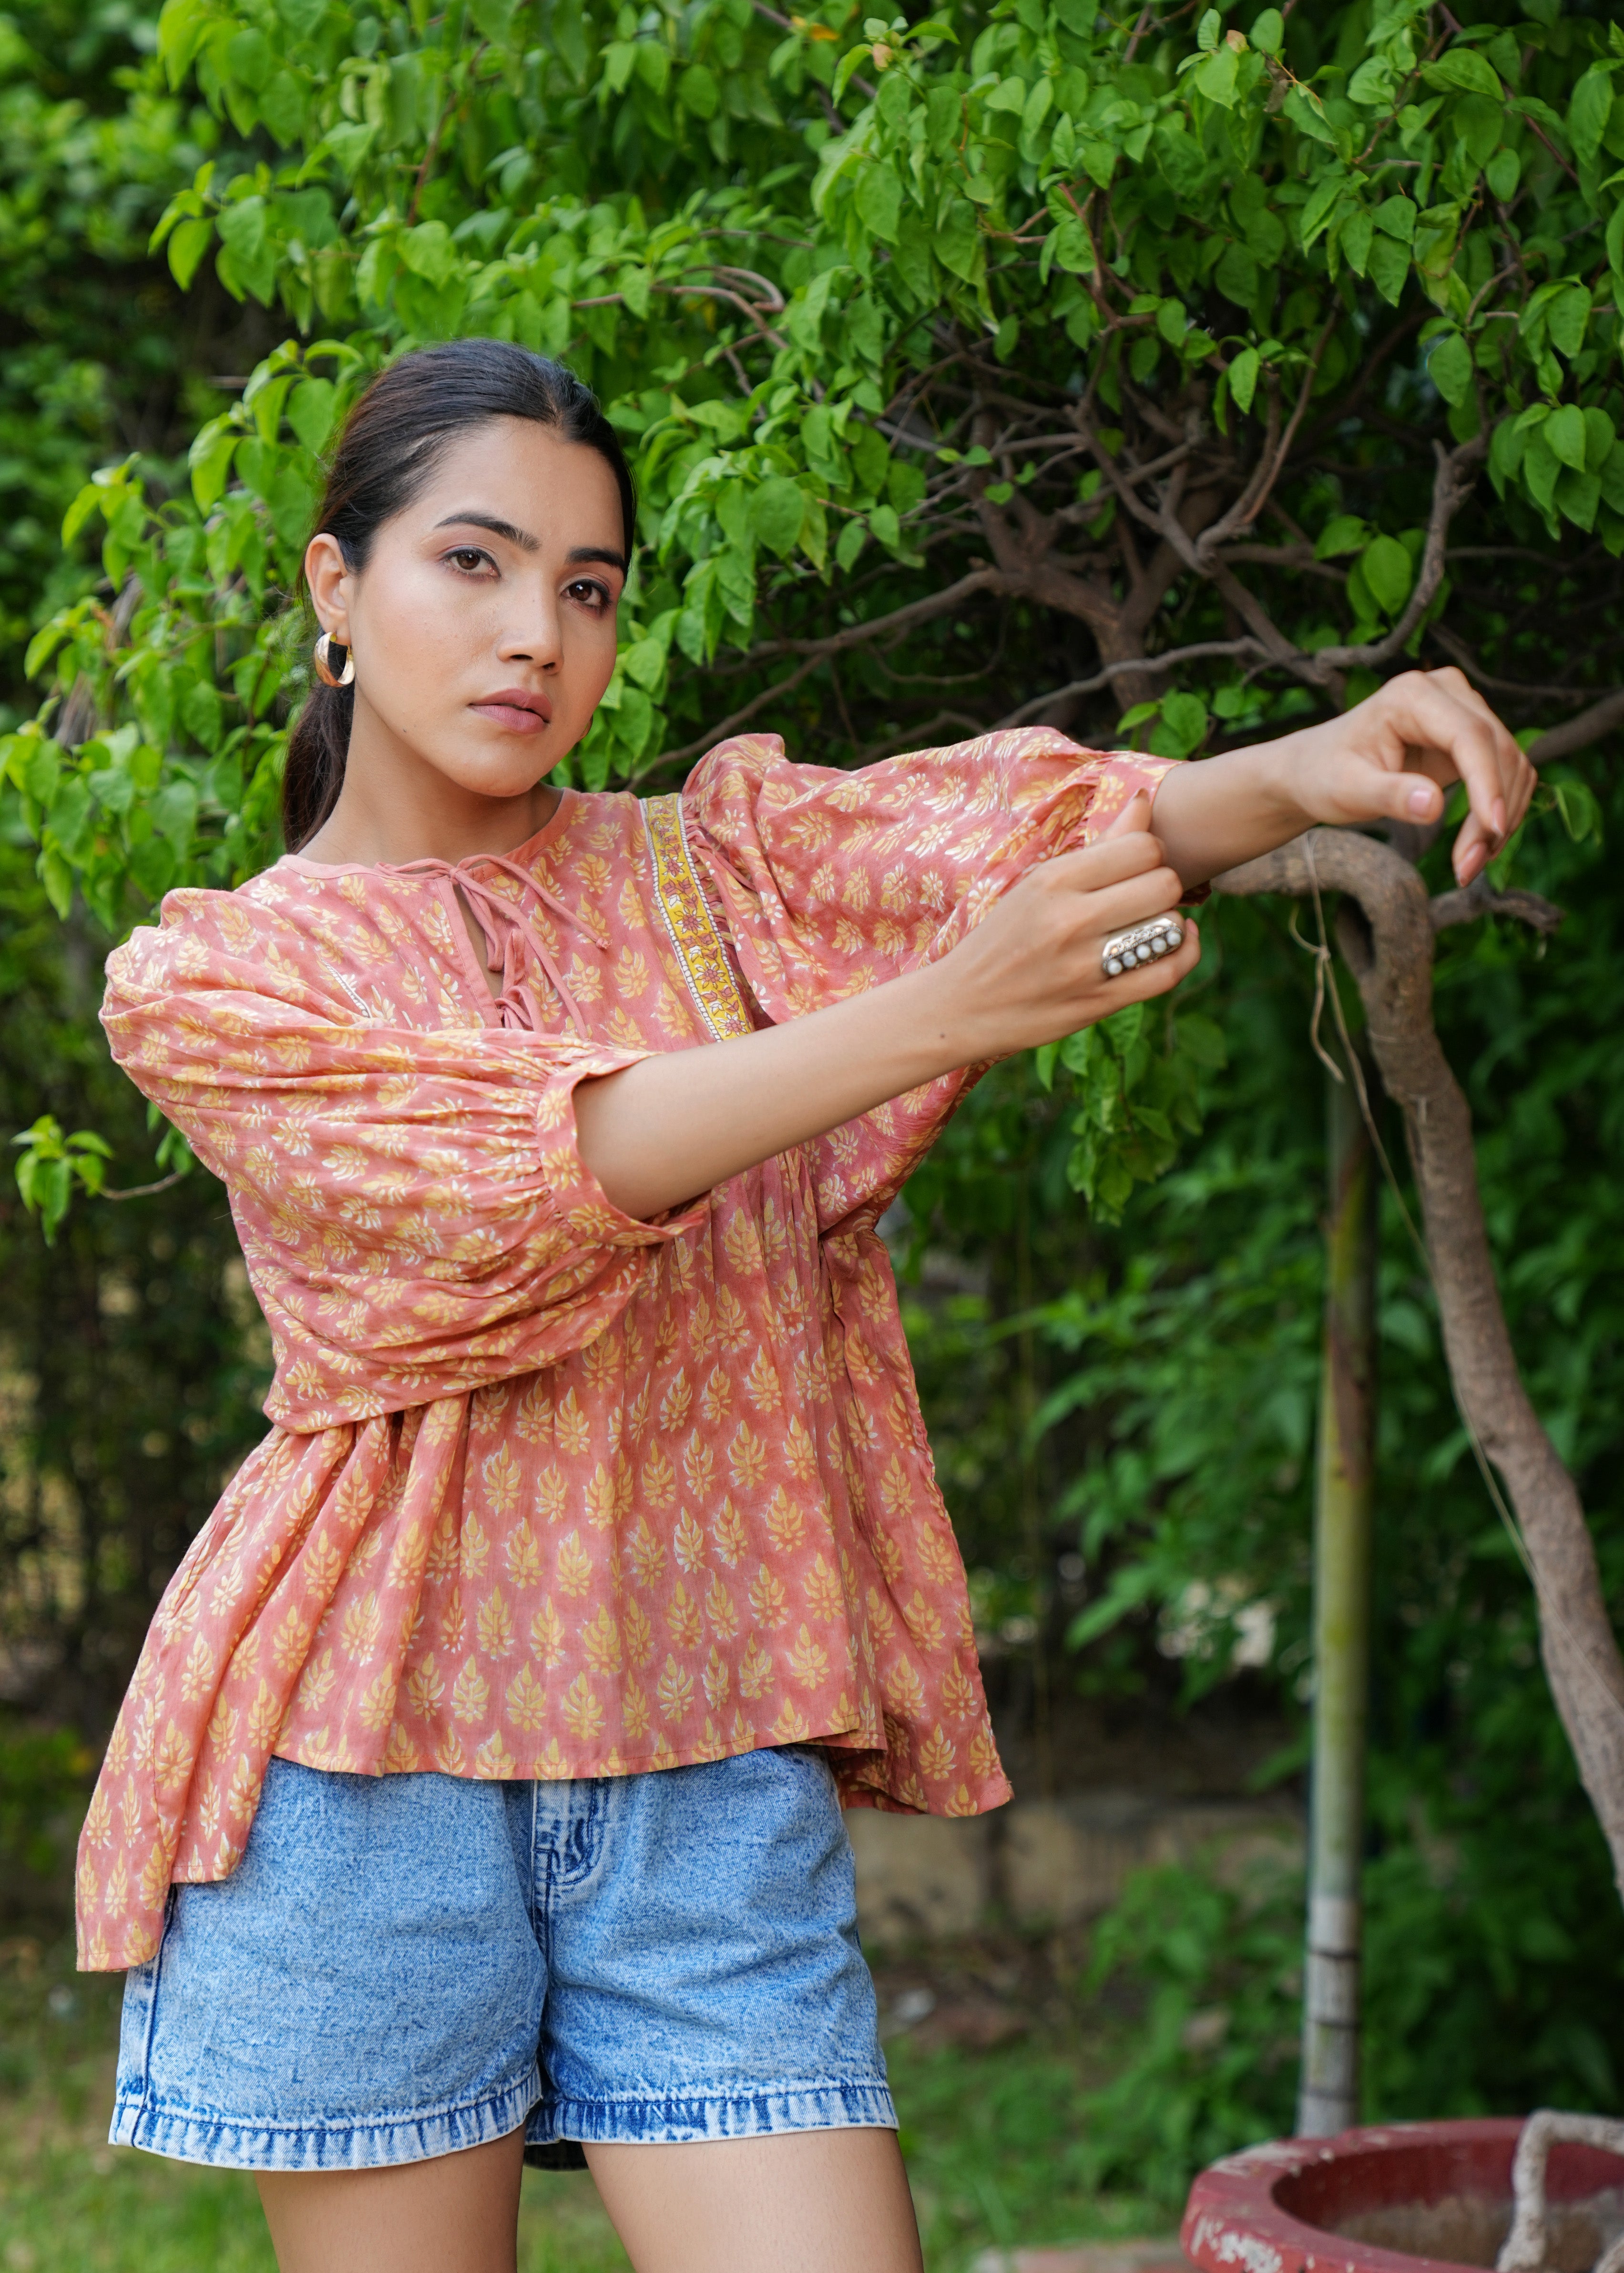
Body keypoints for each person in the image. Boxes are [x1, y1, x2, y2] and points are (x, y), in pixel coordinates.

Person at [77, 339, 1532, 2273]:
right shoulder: (218, 986)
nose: (539, 634)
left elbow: (996, 833)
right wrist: (940, 1011)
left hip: (708, 1751)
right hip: (369, 1781)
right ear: (338, 593)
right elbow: (556, 1164)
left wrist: (1299, 762)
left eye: (589, 588)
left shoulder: (713, 870)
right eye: (476, 565)